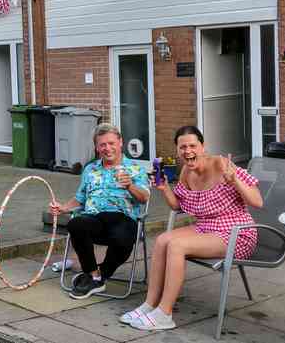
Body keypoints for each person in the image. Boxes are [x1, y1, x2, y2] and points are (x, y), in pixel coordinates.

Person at [122, 126, 263, 330]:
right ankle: (149, 304)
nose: (188, 151)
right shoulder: (187, 172)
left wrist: (235, 182)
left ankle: (164, 314)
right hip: (206, 227)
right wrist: (164, 188)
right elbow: (177, 206)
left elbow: (257, 201)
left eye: (192, 146)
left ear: (203, 147)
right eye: (183, 147)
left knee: (177, 246)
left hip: (236, 233)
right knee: (162, 240)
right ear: (177, 150)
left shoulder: (222, 164)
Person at [49, 123, 150, 299]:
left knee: (123, 237)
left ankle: (98, 275)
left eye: (111, 143)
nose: (107, 148)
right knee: (76, 223)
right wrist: (63, 208)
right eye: (102, 144)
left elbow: (144, 197)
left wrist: (130, 185)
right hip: (94, 218)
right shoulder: (90, 169)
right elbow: (80, 199)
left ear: (120, 142)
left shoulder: (135, 168)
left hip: (122, 218)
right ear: (96, 147)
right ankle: (94, 276)